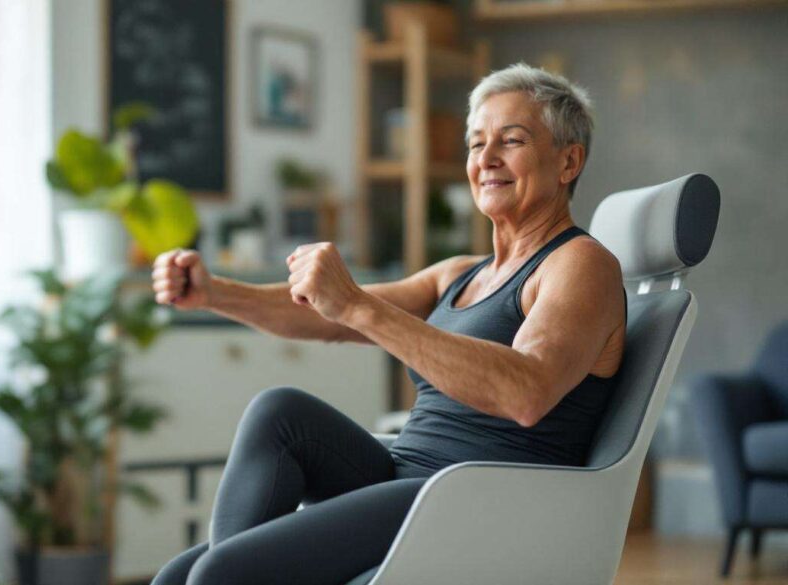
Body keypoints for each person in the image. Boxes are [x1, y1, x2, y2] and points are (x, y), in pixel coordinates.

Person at [148, 63, 626, 585]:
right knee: (270, 429)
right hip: (408, 475)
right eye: (474, 144)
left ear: (568, 161)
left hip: (474, 498)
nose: (486, 160)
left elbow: (526, 392)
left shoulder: (580, 265)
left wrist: (358, 305)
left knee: (217, 572)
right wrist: (216, 293)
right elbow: (323, 313)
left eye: (510, 141)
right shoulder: (460, 274)